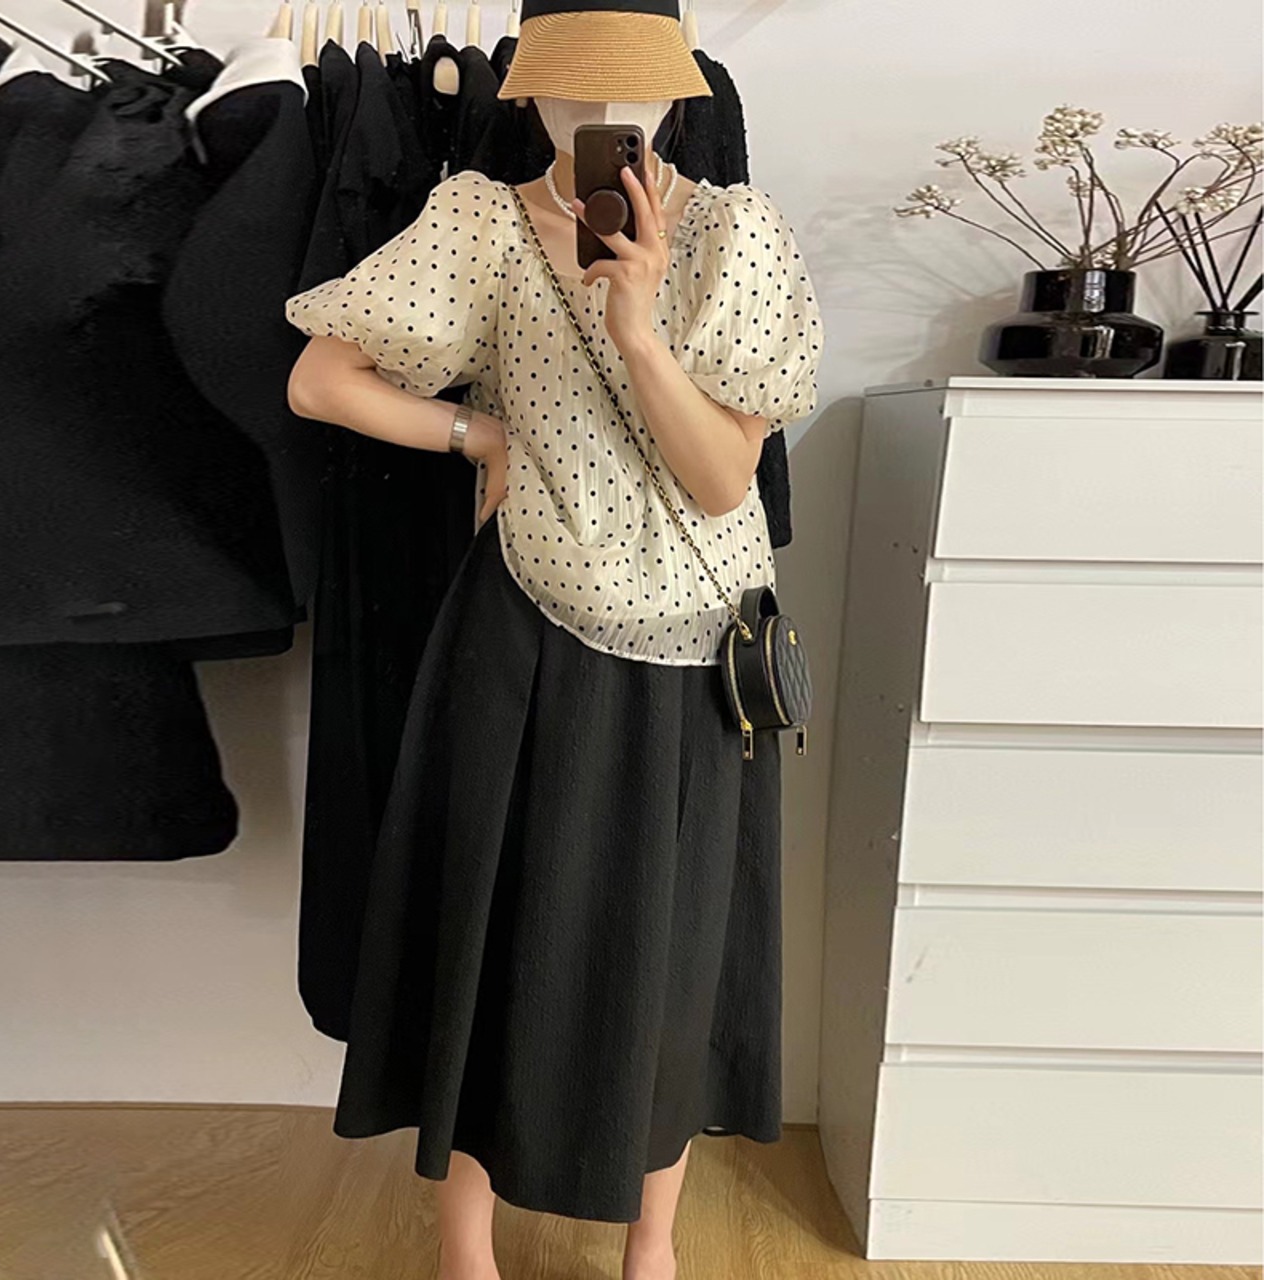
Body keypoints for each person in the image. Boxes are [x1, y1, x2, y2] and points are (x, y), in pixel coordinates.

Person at [283, 2, 824, 1276]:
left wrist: (636, 322)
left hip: (696, 653)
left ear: (678, 97)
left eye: (630, 97)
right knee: (495, 923)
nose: (605, 122)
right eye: (575, 96)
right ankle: (463, 1245)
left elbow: (719, 482)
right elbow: (319, 380)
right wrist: (480, 434)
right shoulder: (476, 220)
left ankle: (653, 1243)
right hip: (522, 623)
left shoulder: (736, 233)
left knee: (675, 943)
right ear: (526, 95)